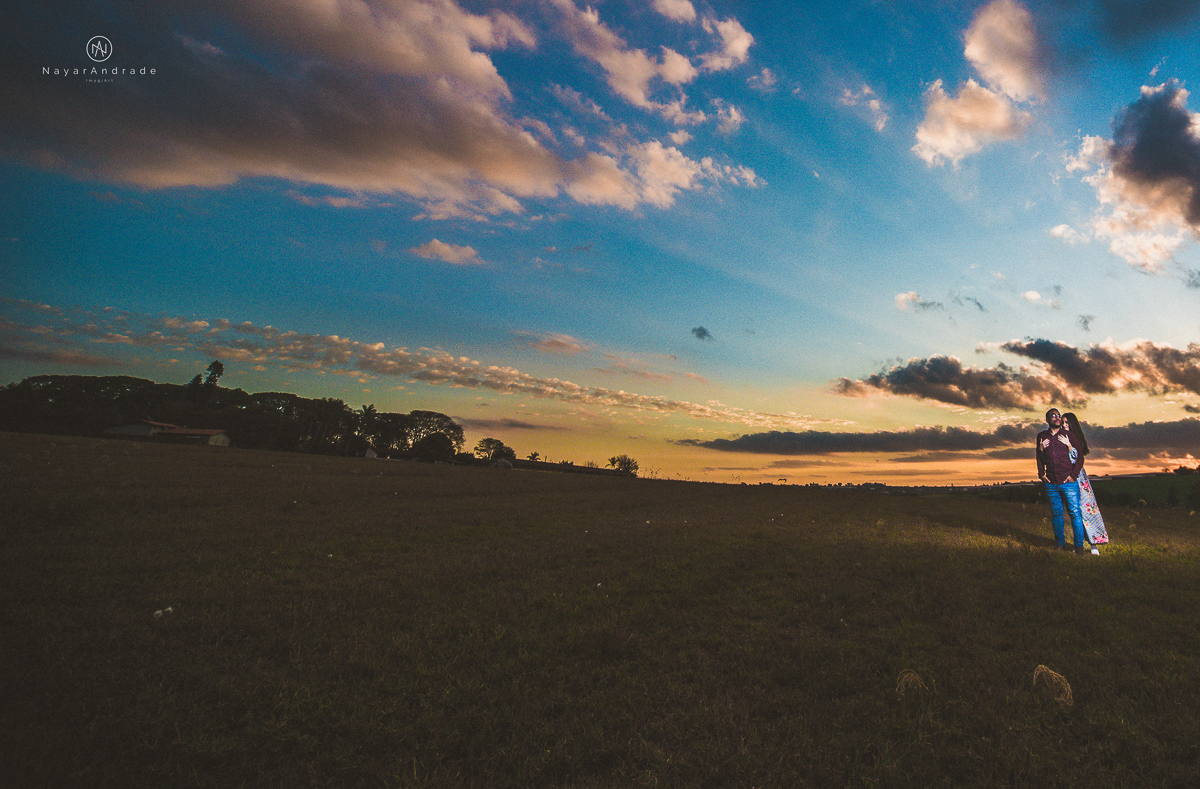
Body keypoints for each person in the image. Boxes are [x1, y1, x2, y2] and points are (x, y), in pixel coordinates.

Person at [1035, 408, 1089, 554]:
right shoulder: (1042, 436)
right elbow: (1039, 458)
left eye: (1058, 415)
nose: (1057, 417)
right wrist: (1041, 474)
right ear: (1047, 419)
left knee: (1075, 513)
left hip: (1068, 482)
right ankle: (1060, 544)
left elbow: (1080, 458)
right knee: (1056, 513)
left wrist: (1073, 475)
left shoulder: (1069, 435)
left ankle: (1079, 546)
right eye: (1053, 415)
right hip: (1051, 482)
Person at [1063, 412, 1109, 553]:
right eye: (1063, 422)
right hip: (1066, 477)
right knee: (1074, 512)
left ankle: (1094, 544)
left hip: (1078, 478)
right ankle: (1079, 544)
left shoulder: (1075, 439)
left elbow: (1076, 459)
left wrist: (1069, 447)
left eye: (1067, 423)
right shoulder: (1062, 438)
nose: (1064, 425)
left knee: (1087, 510)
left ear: (1072, 424)